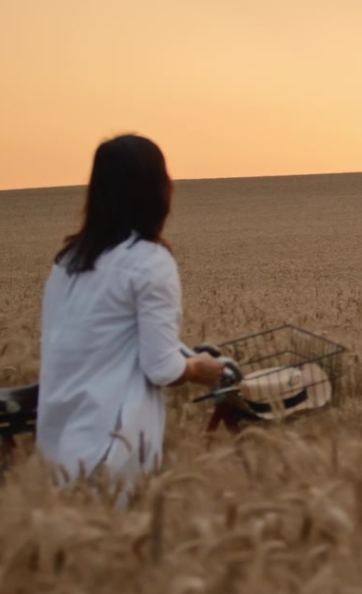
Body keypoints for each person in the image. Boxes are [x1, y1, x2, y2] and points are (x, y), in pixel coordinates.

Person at [37, 134, 224, 499]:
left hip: (57, 443)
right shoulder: (148, 261)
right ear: (157, 191)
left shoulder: (68, 262)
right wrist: (200, 369)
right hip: (112, 442)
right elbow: (162, 368)